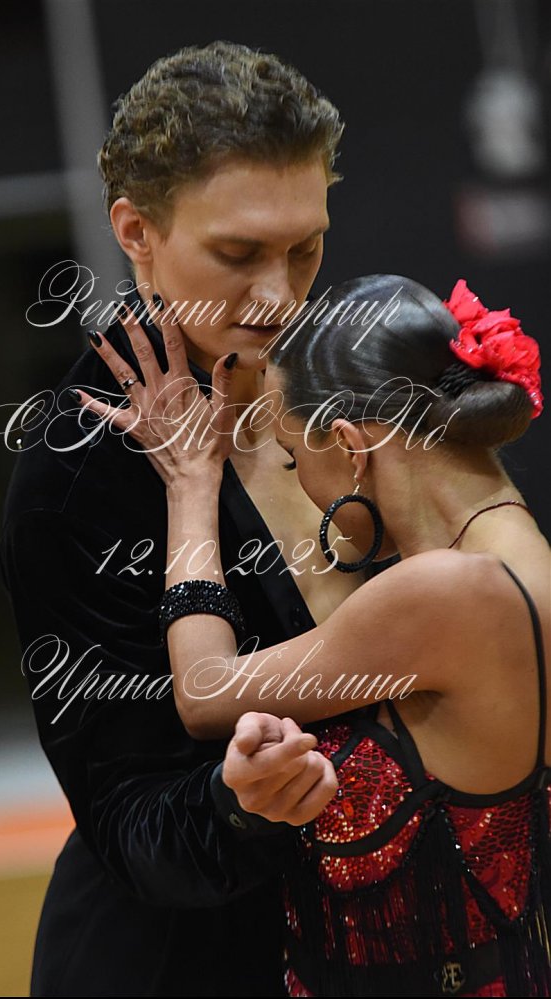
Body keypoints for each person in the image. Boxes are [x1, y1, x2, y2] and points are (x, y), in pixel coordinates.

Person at [0, 41, 362, 998]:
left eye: (306, 247)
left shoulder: (360, 387)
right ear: (137, 231)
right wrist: (239, 803)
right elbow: (128, 820)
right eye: (238, 254)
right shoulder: (76, 477)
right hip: (180, 966)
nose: (279, 294)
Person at [76, 273, 550, 997]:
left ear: (351, 445)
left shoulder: (445, 592)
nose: (301, 485)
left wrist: (192, 484)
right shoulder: (520, 553)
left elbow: (204, 691)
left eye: (295, 458)